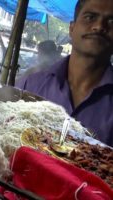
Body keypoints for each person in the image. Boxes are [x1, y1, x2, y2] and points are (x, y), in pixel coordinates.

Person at [16, 0, 113, 147]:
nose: (99, 26)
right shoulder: (30, 85)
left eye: (111, 21)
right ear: (71, 28)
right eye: (90, 17)